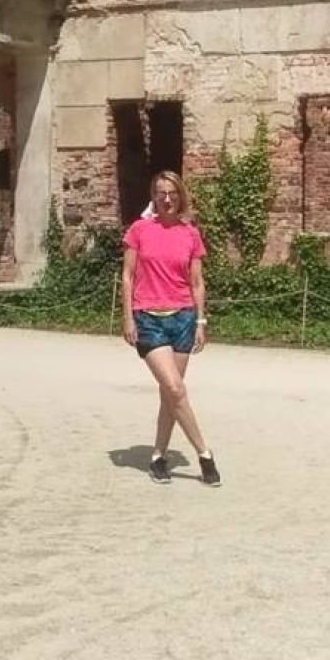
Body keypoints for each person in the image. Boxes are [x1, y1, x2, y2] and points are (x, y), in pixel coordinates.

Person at [121, 171, 220, 484]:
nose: (166, 199)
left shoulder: (190, 234)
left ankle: (158, 457)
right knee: (176, 388)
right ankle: (205, 454)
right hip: (148, 318)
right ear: (153, 196)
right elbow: (127, 276)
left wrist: (201, 321)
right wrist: (128, 317)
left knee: (170, 394)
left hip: (183, 319)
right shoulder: (139, 230)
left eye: (172, 193)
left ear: (180, 196)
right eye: (161, 193)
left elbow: (197, 282)